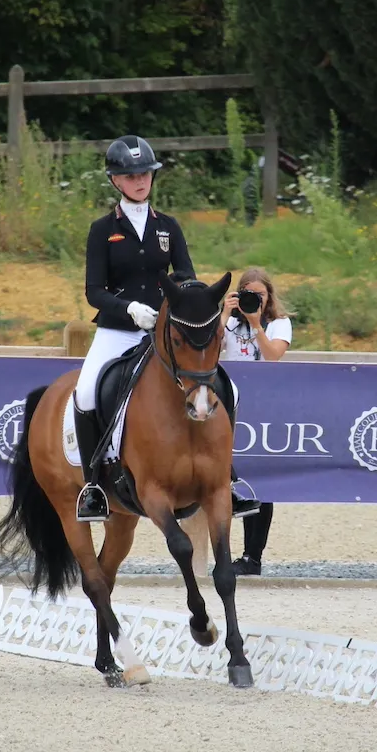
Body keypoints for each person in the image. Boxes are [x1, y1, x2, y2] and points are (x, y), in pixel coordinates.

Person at [73, 135, 260, 523]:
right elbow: (94, 291)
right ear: (115, 180)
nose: (140, 181)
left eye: (145, 174)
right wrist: (129, 309)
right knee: (87, 392)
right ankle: (93, 487)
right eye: (131, 176)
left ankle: (227, 478)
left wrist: (178, 304)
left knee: (230, 389)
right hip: (118, 331)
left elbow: (186, 275)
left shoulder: (168, 227)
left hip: (167, 334)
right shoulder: (102, 229)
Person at [219, 267, 292, 575]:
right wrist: (224, 314)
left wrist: (255, 324)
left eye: (260, 295)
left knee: (261, 480)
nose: (254, 300)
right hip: (228, 404)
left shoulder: (279, 323)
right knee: (225, 475)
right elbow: (208, 348)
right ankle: (224, 556)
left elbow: (273, 356)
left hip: (264, 405)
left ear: (269, 296)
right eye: (248, 294)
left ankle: (252, 557)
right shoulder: (229, 322)